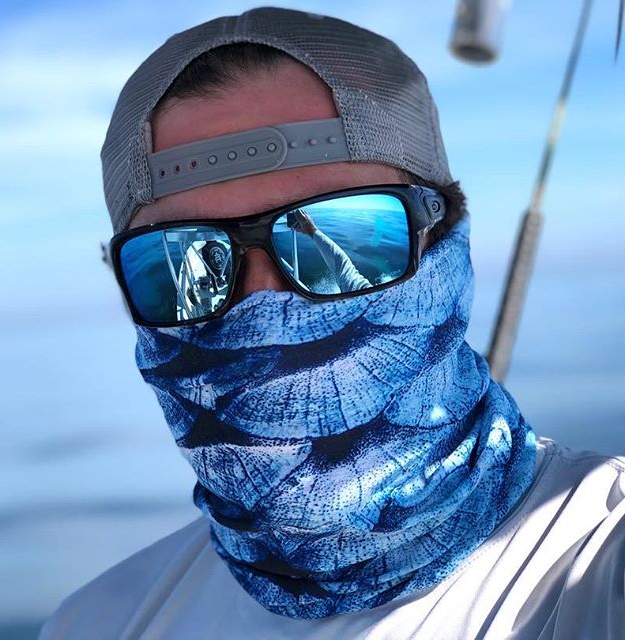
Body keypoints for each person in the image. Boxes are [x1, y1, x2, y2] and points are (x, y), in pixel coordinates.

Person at [40, 7, 625, 639]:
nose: (262, 305)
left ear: (446, 236)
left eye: (342, 233)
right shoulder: (94, 623)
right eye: (180, 262)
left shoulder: (599, 560)